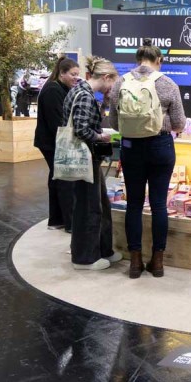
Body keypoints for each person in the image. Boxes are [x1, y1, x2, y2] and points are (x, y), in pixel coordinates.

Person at [108, 39, 186, 279]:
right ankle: (158, 262)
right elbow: (180, 123)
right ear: (158, 60)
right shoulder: (168, 83)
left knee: (133, 203)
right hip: (160, 146)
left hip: (131, 147)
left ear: (136, 59)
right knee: (159, 204)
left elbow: (113, 123)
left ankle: (134, 262)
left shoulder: (120, 82)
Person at [62, 57, 122, 270]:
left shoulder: (82, 92)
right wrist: (101, 137)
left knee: (99, 204)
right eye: (113, 84)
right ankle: (84, 258)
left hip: (88, 159)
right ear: (106, 78)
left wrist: (104, 103)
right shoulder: (85, 96)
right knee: (88, 207)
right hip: (83, 157)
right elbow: (80, 129)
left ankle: (103, 249)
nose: (112, 89)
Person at [34, 57, 80, 233]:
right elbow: (57, 123)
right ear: (62, 73)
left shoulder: (59, 88)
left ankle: (57, 219)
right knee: (63, 180)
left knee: (56, 178)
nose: (76, 78)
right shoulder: (53, 90)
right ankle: (69, 222)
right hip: (51, 142)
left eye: (77, 74)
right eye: (72, 74)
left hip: (53, 140)